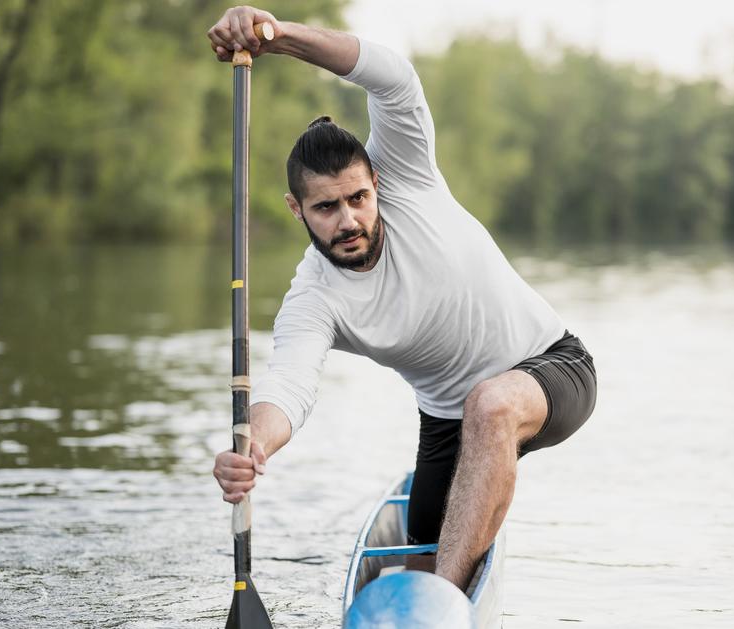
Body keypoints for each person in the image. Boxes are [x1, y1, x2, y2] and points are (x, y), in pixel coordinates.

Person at [206, 6, 596, 590]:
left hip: (554, 367)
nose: (348, 220)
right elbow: (288, 387)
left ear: (377, 184)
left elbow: (392, 77)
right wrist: (253, 448)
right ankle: (433, 587)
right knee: (417, 569)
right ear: (297, 210)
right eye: (326, 208)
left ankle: (445, 601)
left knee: (491, 405)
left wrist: (279, 37)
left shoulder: (407, 170)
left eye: (358, 198)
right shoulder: (315, 297)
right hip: (446, 423)